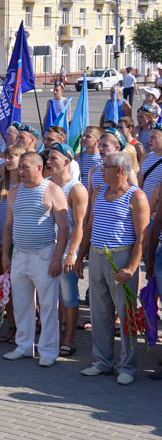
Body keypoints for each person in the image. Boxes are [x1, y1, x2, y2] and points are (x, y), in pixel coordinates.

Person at [76, 151, 149, 385]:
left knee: (126, 313)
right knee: (99, 313)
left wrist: (131, 268)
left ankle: (127, 366)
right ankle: (102, 362)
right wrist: (80, 258)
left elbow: (142, 237)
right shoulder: (98, 192)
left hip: (121, 258)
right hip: (97, 256)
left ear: (119, 170)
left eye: (105, 166)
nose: (100, 170)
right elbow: (89, 226)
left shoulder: (136, 196)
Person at [0, 151, 69, 367]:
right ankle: (23, 346)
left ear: (39, 168)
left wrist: (57, 259)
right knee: (21, 304)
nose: (20, 171)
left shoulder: (53, 190)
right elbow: (8, 225)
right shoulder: (14, 191)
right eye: (19, 167)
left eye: (25, 167)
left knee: (47, 306)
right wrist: (5, 254)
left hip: (44, 255)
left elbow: (64, 227)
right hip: (19, 255)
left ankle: (48, 350)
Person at [46, 143, 88, 357]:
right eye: (48, 157)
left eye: (53, 158)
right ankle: (52, 335)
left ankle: (69, 339)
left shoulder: (76, 189)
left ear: (67, 162)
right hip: (45, 248)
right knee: (48, 297)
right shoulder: (45, 183)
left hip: (65, 252)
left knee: (69, 296)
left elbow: (80, 225)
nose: (48, 161)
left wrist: (72, 253)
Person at [0, 144, 26, 344]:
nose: (7, 160)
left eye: (12, 156)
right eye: (6, 156)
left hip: (20, 243)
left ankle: (25, 328)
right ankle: (12, 326)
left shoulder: (27, 185)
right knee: (7, 285)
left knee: (22, 288)